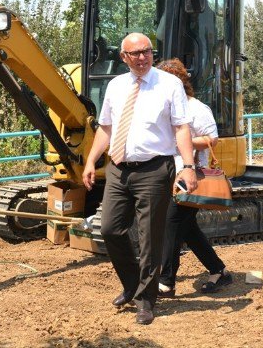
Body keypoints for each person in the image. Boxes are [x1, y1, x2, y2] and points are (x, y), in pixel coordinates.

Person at [82, 33, 197, 325]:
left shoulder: (169, 85)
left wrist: (187, 166)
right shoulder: (116, 85)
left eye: (146, 52)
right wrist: (91, 160)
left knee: (149, 239)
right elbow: (106, 128)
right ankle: (132, 284)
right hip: (119, 169)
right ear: (124, 57)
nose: (142, 58)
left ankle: (146, 300)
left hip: (154, 170)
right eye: (135, 54)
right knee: (109, 228)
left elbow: (182, 128)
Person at [155, 59, 232, 298]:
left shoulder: (197, 108)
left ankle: (166, 281)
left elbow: (212, 139)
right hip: (168, 175)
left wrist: (181, 142)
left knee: (172, 224)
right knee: (188, 229)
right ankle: (218, 270)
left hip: (190, 176)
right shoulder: (164, 108)